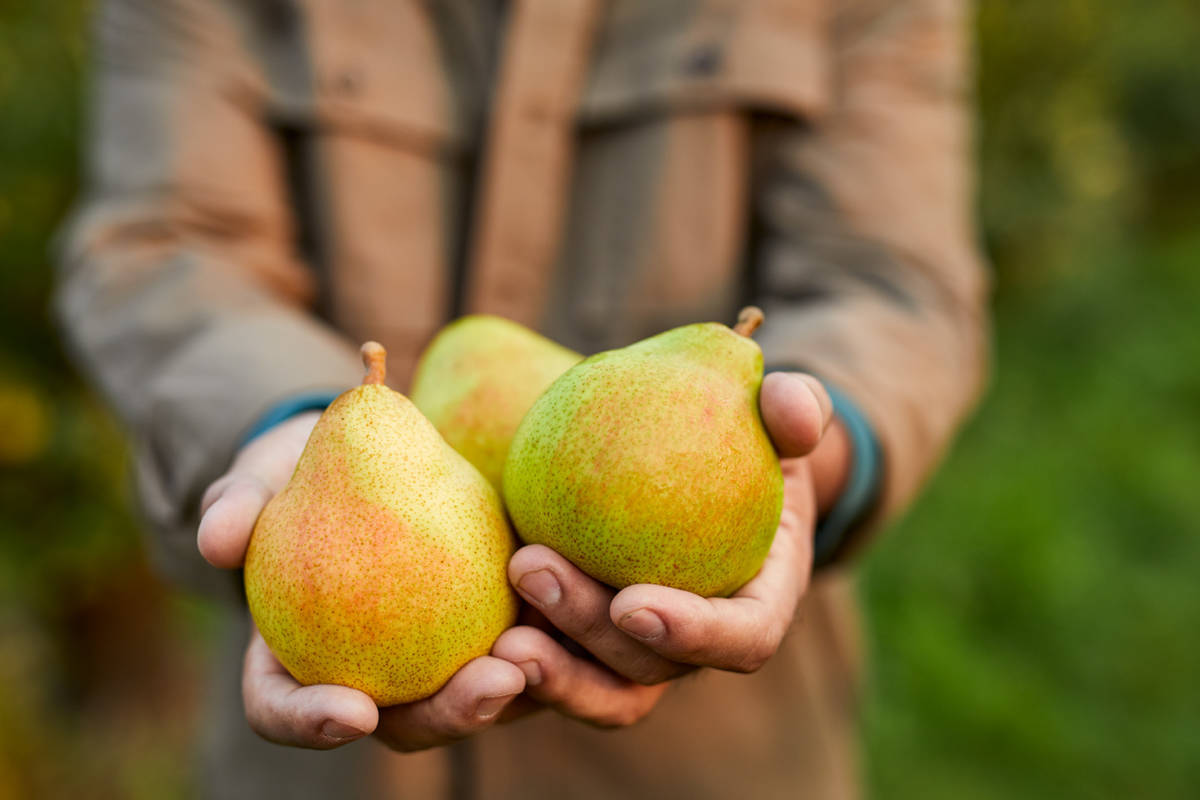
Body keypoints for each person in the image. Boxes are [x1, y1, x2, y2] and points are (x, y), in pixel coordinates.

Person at [55, 0, 989, 797]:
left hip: (714, 761)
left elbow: (892, 283)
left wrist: (819, 453)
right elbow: (162, 245)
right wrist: (284, 420)